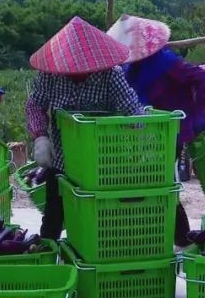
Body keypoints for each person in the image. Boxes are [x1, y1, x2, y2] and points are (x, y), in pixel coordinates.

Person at [26, 16, 144, 240]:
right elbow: (34, 105)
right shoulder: (50, 75)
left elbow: (134, 112)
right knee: (52, 221)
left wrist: (140, 142)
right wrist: (40, 135)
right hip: (62, 161)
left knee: (100, 224)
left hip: (103, 164)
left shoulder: (111, 74)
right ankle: (51, 265)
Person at [107, 14, 205, 245]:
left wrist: (197, 109)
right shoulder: (128, 68)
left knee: (161, 183)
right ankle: (155, 235)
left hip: (168, 133)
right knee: (144, 183)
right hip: (140, 136)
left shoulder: (166, 62)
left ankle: (182, 237)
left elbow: (201, 78)